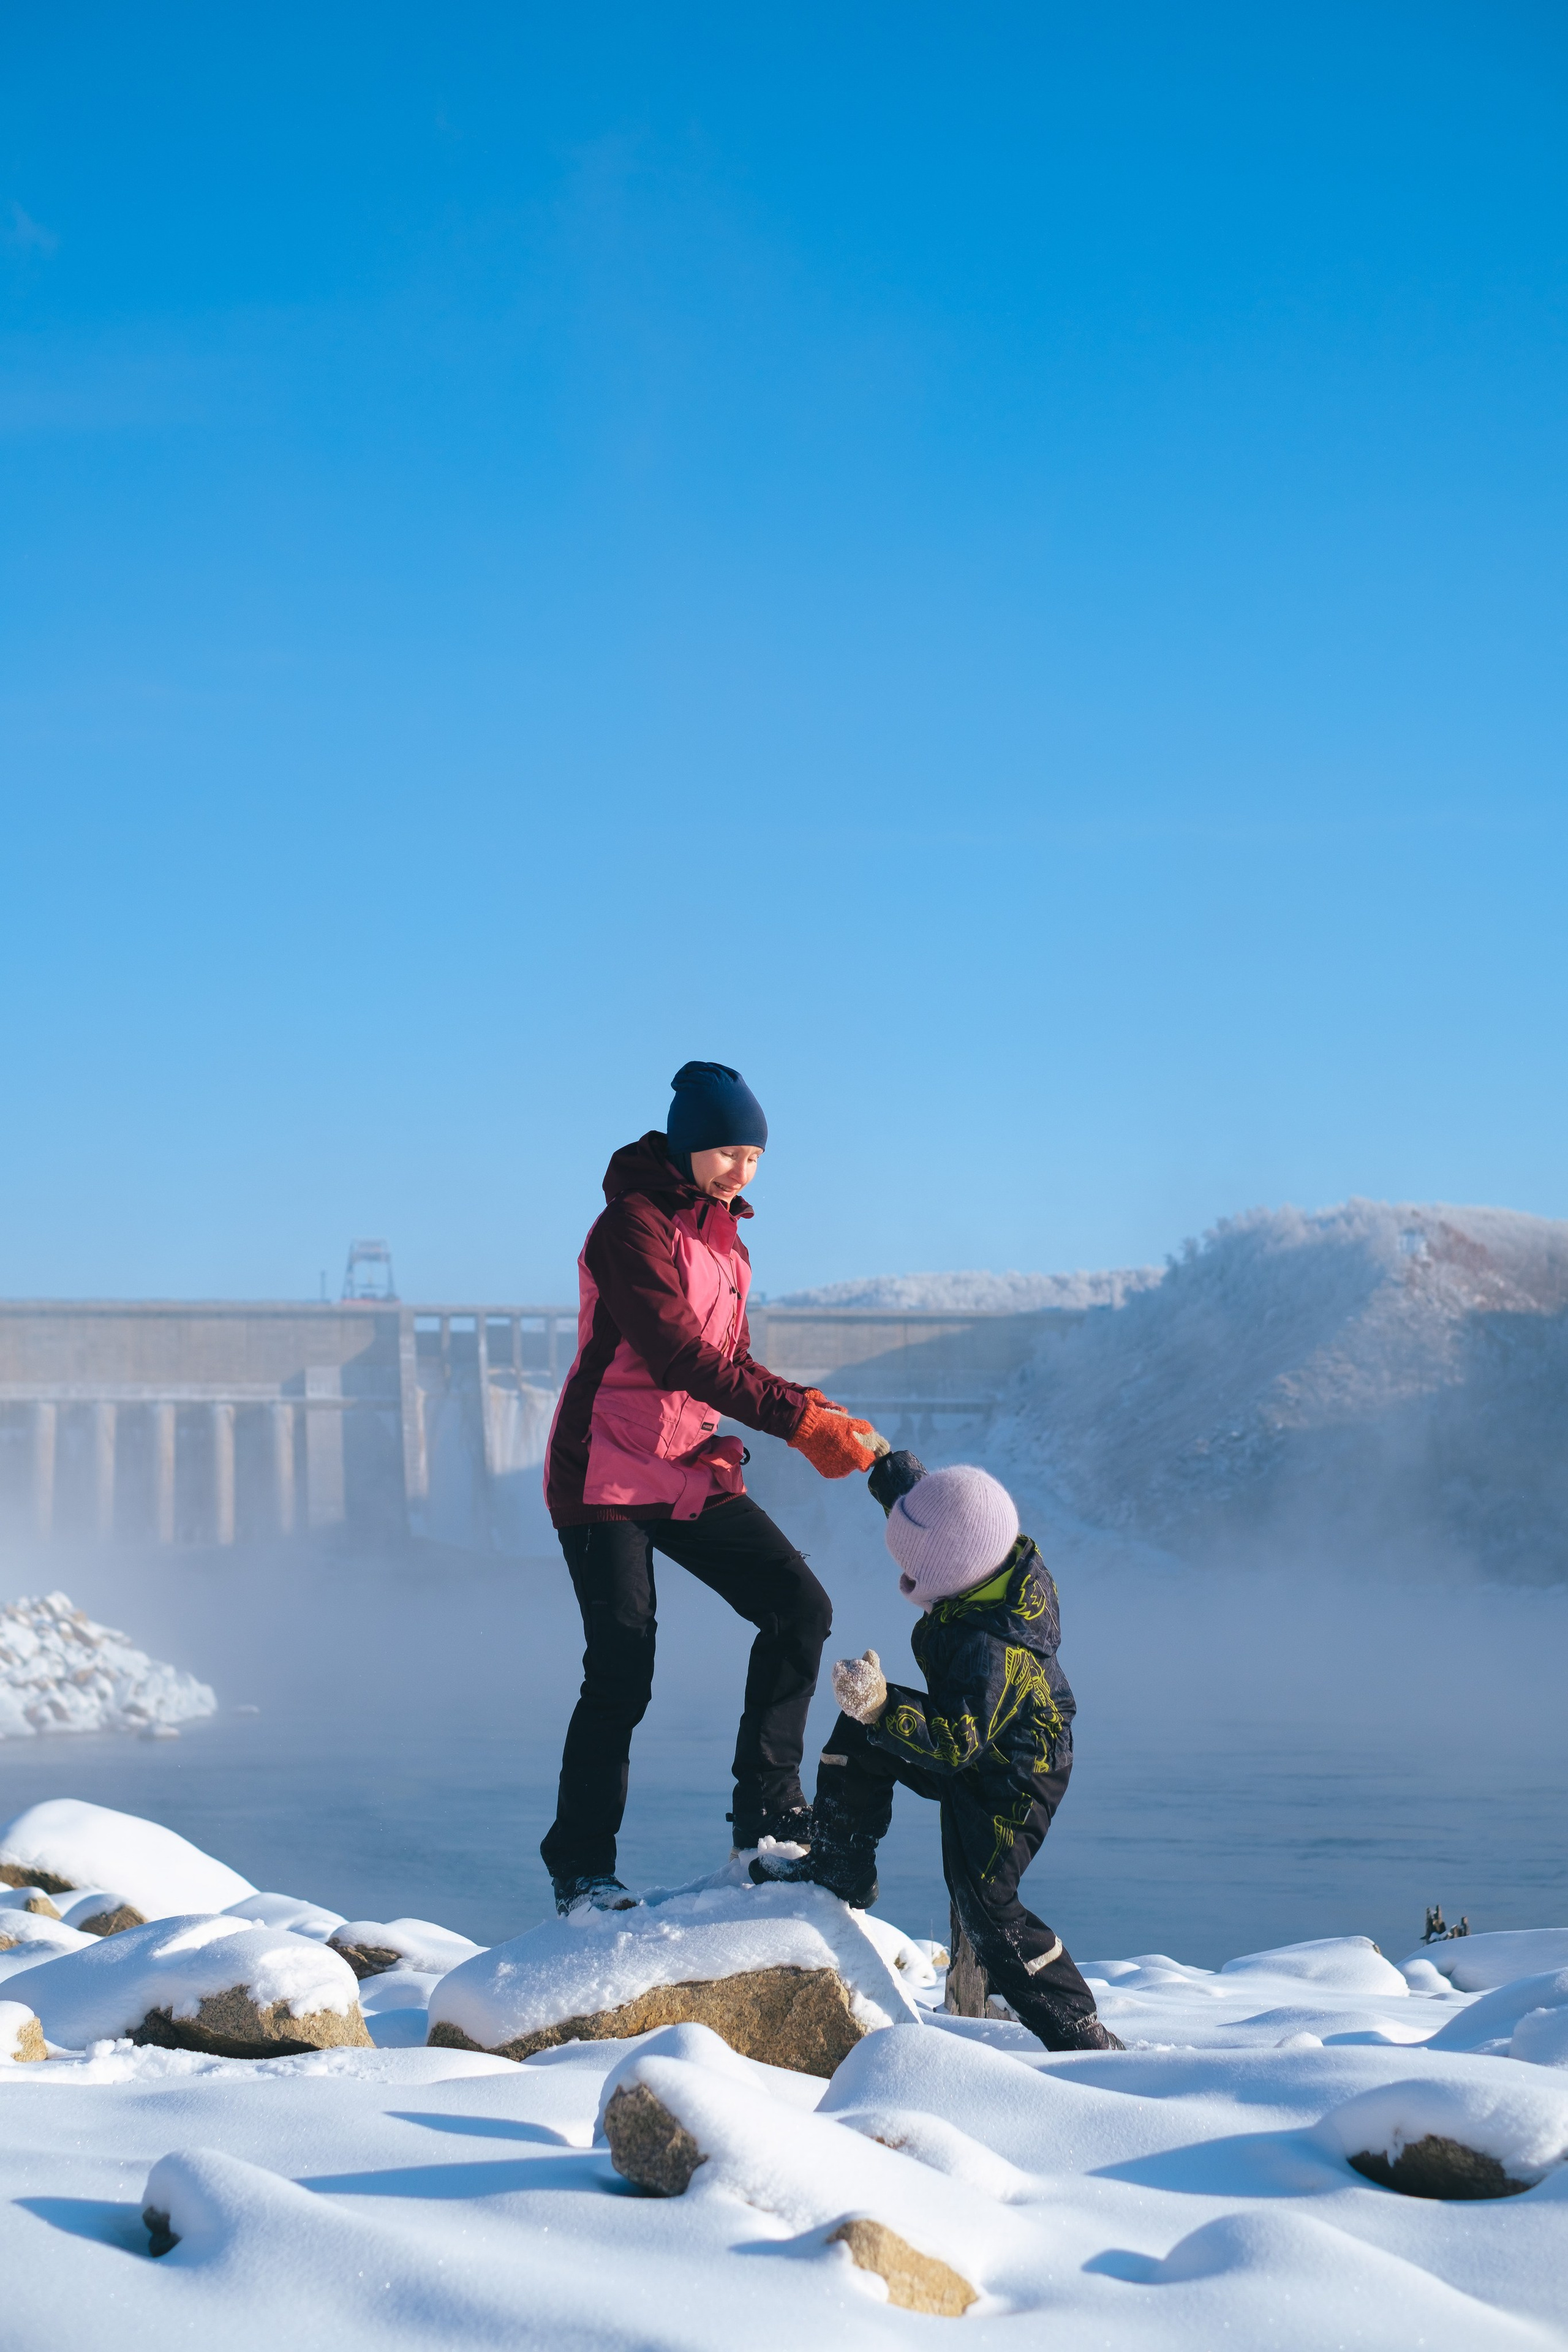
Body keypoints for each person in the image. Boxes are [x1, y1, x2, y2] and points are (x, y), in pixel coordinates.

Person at [540, 1060, 883, 1915]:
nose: (741, 1171)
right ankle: (582, 1870)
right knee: (621, 1669)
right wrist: (797, 1427)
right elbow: (676, 1356)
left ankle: (766, 1814)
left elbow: (725, 1364)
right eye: (727, 1151)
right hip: (607, 1470)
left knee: (797, 1606)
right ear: (689, 1145)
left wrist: (806, 1404)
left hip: (687, 1462)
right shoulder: (630, 1226)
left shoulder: (726, 1241)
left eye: (754, 1157)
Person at [757, 1455, 1124, 2052]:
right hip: (974, 1735)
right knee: (859, 1737)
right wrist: (889, 1472)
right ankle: (841, 1863)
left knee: (987, 1908)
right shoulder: (985, 1561)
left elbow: (953, 1746)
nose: (903, 1571)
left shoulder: (990, 1649)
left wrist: (882, 1707)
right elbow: (946, 1517)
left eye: (910, 1563)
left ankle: (1078, 2032)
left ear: (945, 1570)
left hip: (1011, 1780)